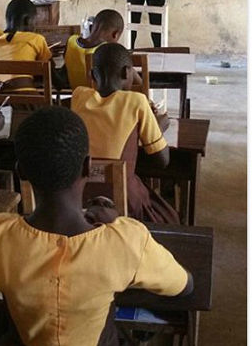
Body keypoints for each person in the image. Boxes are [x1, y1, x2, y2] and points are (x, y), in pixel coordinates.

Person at [0, 107, 192, 346]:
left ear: (21, 171)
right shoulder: (126, 239)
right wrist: (117, 224)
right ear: (88, 166)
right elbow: (185, 287)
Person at [71, 43, 178, 223]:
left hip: (80, 196)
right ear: (127, 73)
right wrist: (159, 126)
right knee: (169, 216)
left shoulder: (79, 96)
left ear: (92, 75)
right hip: (123, 200)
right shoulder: (137, 101)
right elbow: (162, 160)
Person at [0, 0, 51, 94]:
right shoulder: (36, 39)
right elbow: (48, 73)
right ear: (27, 20)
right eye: (35, 21)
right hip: (26, 101)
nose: (35, 26)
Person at [61, 9, 124, 89]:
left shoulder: (71, 41)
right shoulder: (106, 50)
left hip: (77, 97)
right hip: (99, 100)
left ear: (91, 27)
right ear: (115, 34)